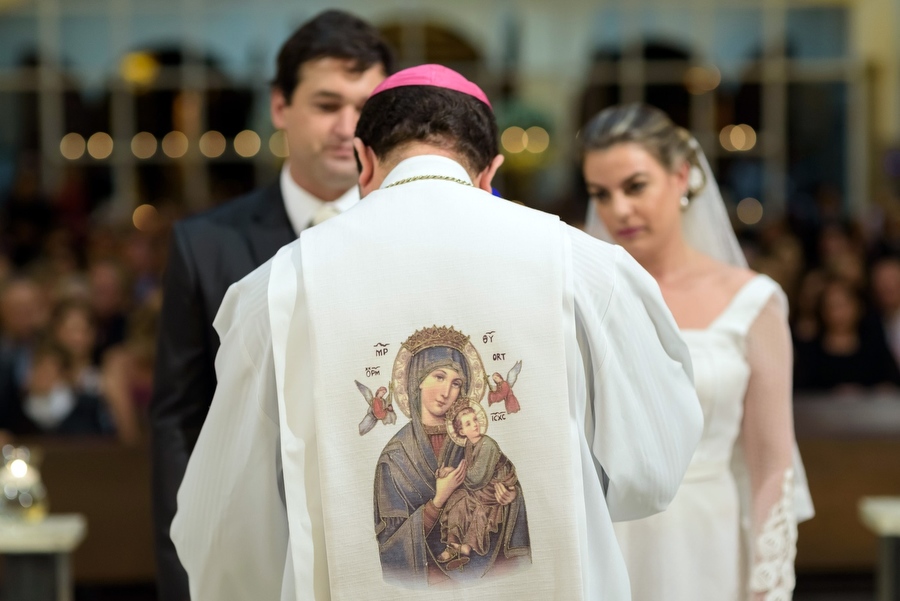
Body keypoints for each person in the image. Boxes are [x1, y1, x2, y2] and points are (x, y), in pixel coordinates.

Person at [171, 64, 703, 600]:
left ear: (364, 161)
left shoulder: (278, 286)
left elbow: (223, 519)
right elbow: (655, 468)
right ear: (491, 172)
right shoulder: (587, 268)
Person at [150, 11, 394, 600]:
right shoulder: (206, 244)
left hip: (387, 550)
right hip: (253, 548)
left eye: (365, 107)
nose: (348, 127)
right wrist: (186, 573)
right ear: (280, 107)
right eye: (327, 104)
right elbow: (180, 423)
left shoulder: (415, 239)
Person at [581, 102, 814, 600]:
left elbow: (772, 462)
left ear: (681, 176)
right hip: (609, 539)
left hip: (710, 537)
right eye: (601, 194)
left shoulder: (752, 301)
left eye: (635, 186)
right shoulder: (584, 298)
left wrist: (768, 583)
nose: (618, 209)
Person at [435, 403, 521, 570]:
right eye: (468, 424)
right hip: (479, 487)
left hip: (495, 487)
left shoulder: (488, 444)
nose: (475, 424)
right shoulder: (469, 443)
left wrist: (453, 472)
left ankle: (466, 547)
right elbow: (472, 471)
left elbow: (476, 478)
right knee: (457, 500)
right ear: (461, 432)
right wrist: (450, 472)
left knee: (479, 509)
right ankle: (452, 545)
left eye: (475, 420)